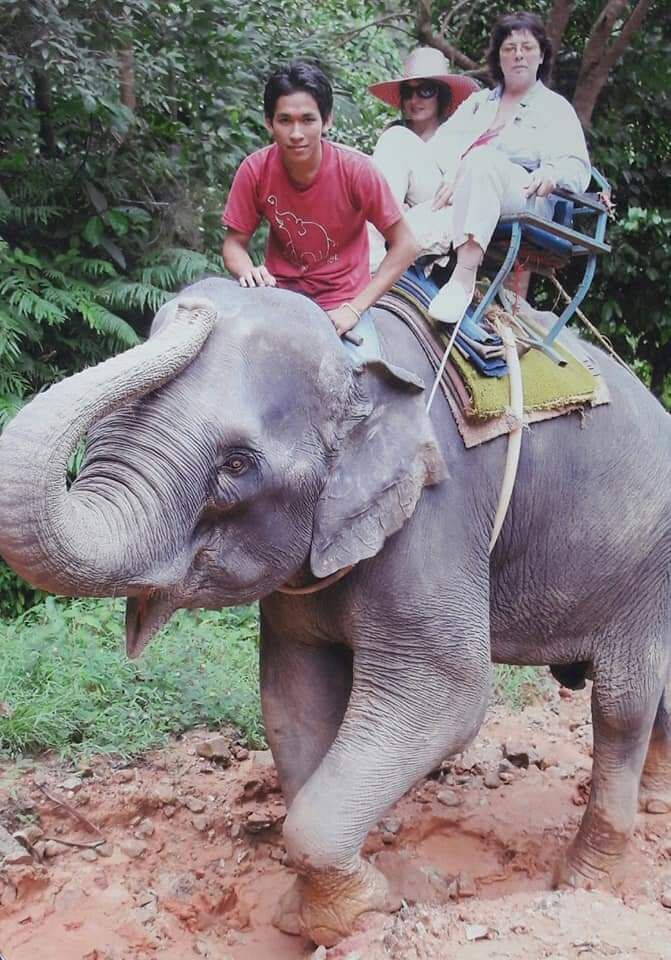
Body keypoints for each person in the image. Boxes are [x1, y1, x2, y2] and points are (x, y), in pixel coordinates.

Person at [221, 61, 417, 339]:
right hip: (278, 299)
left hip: (343, 302)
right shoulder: (255, 170)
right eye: (285, 120)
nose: (296, 133)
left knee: (367, 375)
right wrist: (248, 270)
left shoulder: (357, 170)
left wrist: (355, 308)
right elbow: (233, 244)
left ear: (327, 121)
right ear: (269, 123)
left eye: (308, 120)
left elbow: (406, 245)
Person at [426, 11, 590, 326]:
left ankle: (462, 279)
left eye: (526, 47)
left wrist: (552, 173)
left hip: (522, 194)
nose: (517, 55)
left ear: (541, 55)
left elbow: (577, 168)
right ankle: (371, 252)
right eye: (508, 48)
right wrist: (452, 172)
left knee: (483, 159)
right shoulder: (478, 103)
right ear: (498, 58)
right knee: (399, 141)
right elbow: (438, 148)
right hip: (459, 188)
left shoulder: (555, 108)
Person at [367, 47, 479, 271]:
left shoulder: (457, 133)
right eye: (408, 92)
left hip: (441, 204)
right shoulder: (394, 133)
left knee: (395, 138)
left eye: (425, 91)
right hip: (397, 214)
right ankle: (371, 250)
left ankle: (374, 256)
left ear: (441, 93)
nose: (414, 100)